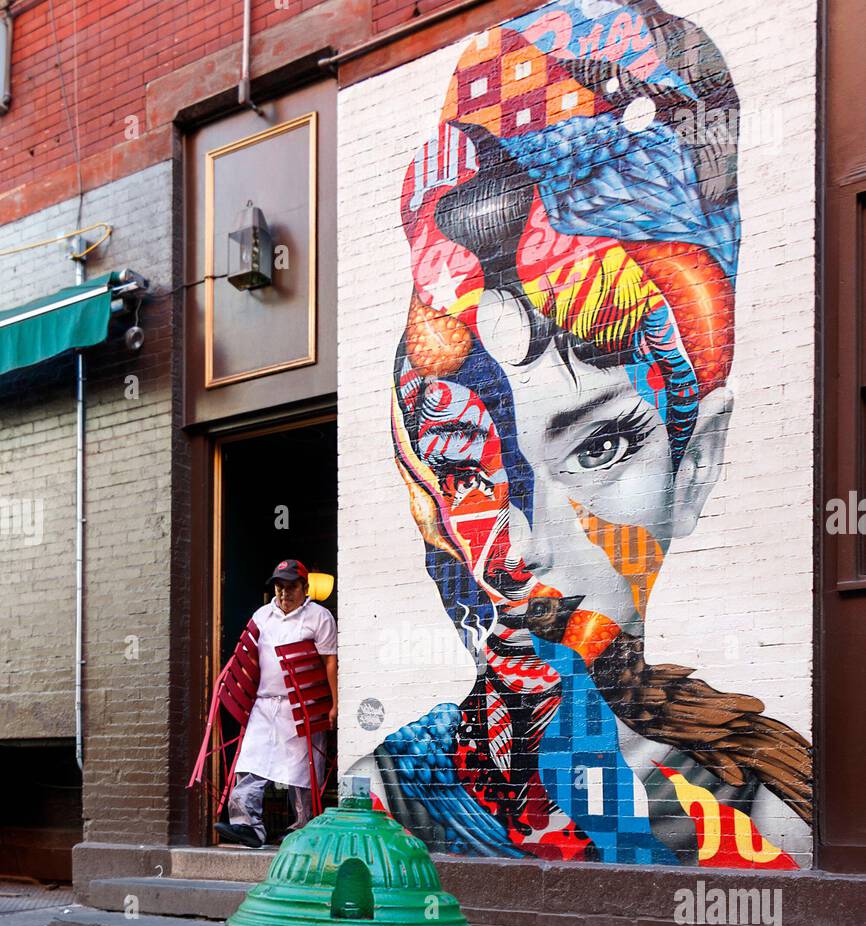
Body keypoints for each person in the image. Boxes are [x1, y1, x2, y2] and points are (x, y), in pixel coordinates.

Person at [353, 0, 811, 869]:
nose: (518, 547)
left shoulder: (771, 808)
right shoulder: (385, 805)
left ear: (696, 463)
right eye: (463, 469)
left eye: (598, 447)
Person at [216, 559, 337, 847]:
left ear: (305, 587)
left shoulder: (319, 617)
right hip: (264, 704)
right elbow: (248, 658)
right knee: (250, 763)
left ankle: (301, 830)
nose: (284, 593)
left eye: (291, 586)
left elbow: (330, 661)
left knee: (301, 772)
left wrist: (335, 703)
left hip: (302, 707)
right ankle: (248, 827)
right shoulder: (262, 616)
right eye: (279, 587)